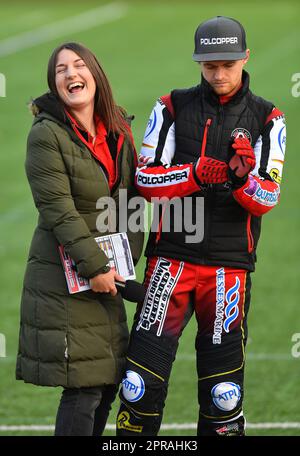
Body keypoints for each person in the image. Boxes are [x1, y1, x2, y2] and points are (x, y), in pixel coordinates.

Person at [116, 16, 286, 436]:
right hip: (169, 264)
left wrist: (243, 179)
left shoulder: (269, 118)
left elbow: (268, 198)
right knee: (138, 388)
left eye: (227, 63)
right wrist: (195, 173)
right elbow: (145, 178)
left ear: (245, 57)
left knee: (223, 395)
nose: (219, 73)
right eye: (210, 65)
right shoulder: (170, 106)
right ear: (198, 63)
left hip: (229, 270)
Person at [16, 42, 144, 436]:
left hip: (107, 276)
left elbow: (133, 200)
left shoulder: (118, 127)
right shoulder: (46, 135)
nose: (71, 74)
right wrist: (98, 267)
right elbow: (60, 211)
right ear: (55, 86)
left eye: (78, 65)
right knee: (84, 388)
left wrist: (124, 265)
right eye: (60, 70)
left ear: (95, 74)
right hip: (65, 279)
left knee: (107, 384)